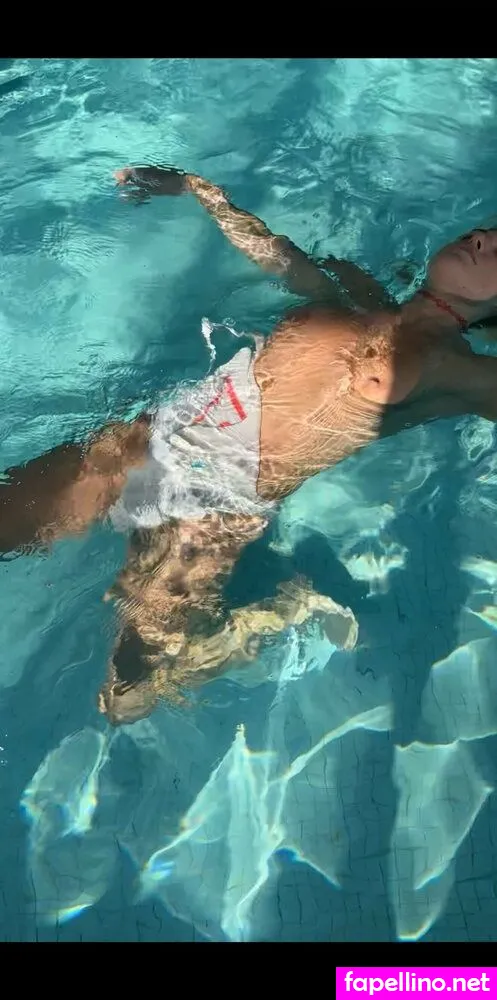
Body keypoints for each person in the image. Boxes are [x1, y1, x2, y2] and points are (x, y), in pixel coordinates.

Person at [3, 163, 497, 726]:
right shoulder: (362, 293)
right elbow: (281, 256)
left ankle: (278, 609)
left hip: (214, 506)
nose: (483, 236)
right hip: (148, 437)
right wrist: (198, 190)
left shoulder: (463, 373)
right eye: (485, 231)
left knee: (127, 696)